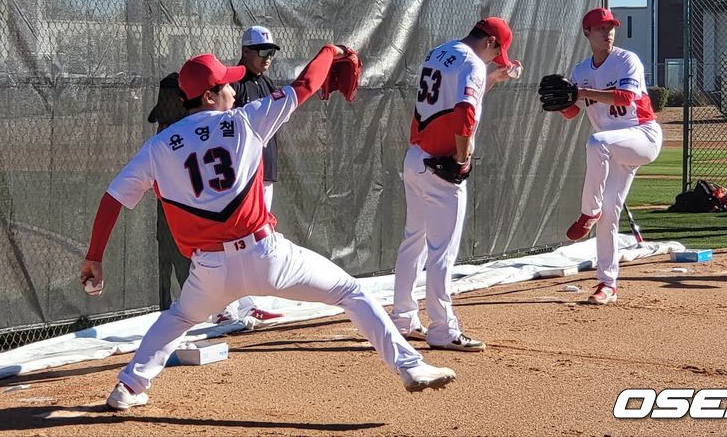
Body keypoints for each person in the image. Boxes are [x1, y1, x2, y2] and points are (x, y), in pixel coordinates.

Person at [80, 46, 456, 411]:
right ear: (209, 96)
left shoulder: (158, 147)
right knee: (351, 293)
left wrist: (95, 257)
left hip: (210, 271)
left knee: (178, 318)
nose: (233, 89)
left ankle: (129, 386)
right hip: (266, 255)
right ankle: (410, 367)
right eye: (226, 85)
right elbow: (306, 85)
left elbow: (112, 198)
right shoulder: (246, 119)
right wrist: (330, 51)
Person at [391, 17, 522, 351]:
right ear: (490, 41)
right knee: (441, 253)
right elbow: (464, 114)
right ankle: (442, 329)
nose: (496, 59)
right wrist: (462, 160)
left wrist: (493, 78)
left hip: (416, 157)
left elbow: (454, 98)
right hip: (441, 166)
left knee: (413, 243)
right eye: (497, 53)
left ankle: (403, 319)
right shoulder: (472, 63)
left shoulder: (441, 52)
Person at [543, 7, 662, 305]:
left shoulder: (626, 60)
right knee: (610, 212)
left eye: (611, 27)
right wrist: (559, 101)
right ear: (587, 33)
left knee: (596, 143)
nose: (607, 32)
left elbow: (625, 98)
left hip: (642, 136)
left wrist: (580, 92)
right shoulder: (582, 70)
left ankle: (587, 212)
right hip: (615, 146)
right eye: (600, 28)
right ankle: (607, 284)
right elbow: (572, 112)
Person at [214, 25, 286, 324]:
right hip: (242, 176)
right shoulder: (235, 84)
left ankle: (249, 305)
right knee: (232, 240)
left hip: (264, 170)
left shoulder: (269, 85)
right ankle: (222, 307)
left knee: (254, 241)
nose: (267, 57)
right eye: (261, 51)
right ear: (245, 51)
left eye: (270, 51)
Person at [146, 72, 191, 310]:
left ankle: (186, 307)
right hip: (173, 205)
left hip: (178, 204)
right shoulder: (170, 127)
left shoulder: (183, 124)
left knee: (178, 256)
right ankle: (172, 308)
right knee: (170, 254)